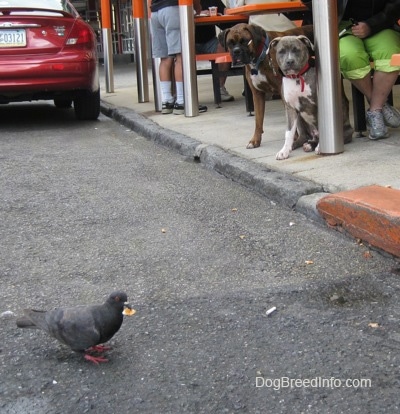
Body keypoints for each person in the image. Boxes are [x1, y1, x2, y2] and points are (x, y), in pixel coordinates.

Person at [338, 0, 400, 140]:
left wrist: (371, 25)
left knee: (390, 54)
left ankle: (375, 110)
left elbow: (396, 5)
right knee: (349, 55)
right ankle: (380, 106)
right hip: (341, 25)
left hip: (381, 23)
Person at [150, 0, 207, 115]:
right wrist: (197, 6)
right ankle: (181, 101)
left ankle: (166, 100)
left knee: (165, 59)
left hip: (155, 12)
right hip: (173, 9)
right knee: (181, 57)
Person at [195, 0, 235, 102]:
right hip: (189, 41)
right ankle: (179, 95)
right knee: (176, 56)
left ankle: (220, 88)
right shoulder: (184, 2)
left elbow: (223, 14)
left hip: (209, 40)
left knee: (225, 47)